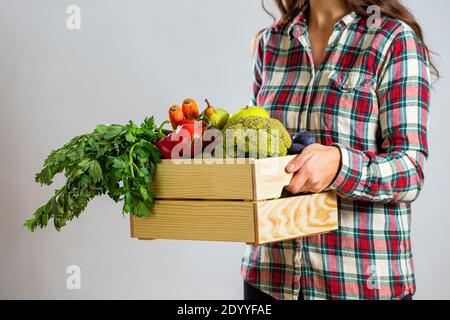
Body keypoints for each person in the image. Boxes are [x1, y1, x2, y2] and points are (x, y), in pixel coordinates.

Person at [242, 0, 437, 300]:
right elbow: (259, 152)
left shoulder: (392, 39)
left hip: (358, 284)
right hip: (270, 280)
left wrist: (340, 165)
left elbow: (410, 170)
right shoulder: (271, 43)